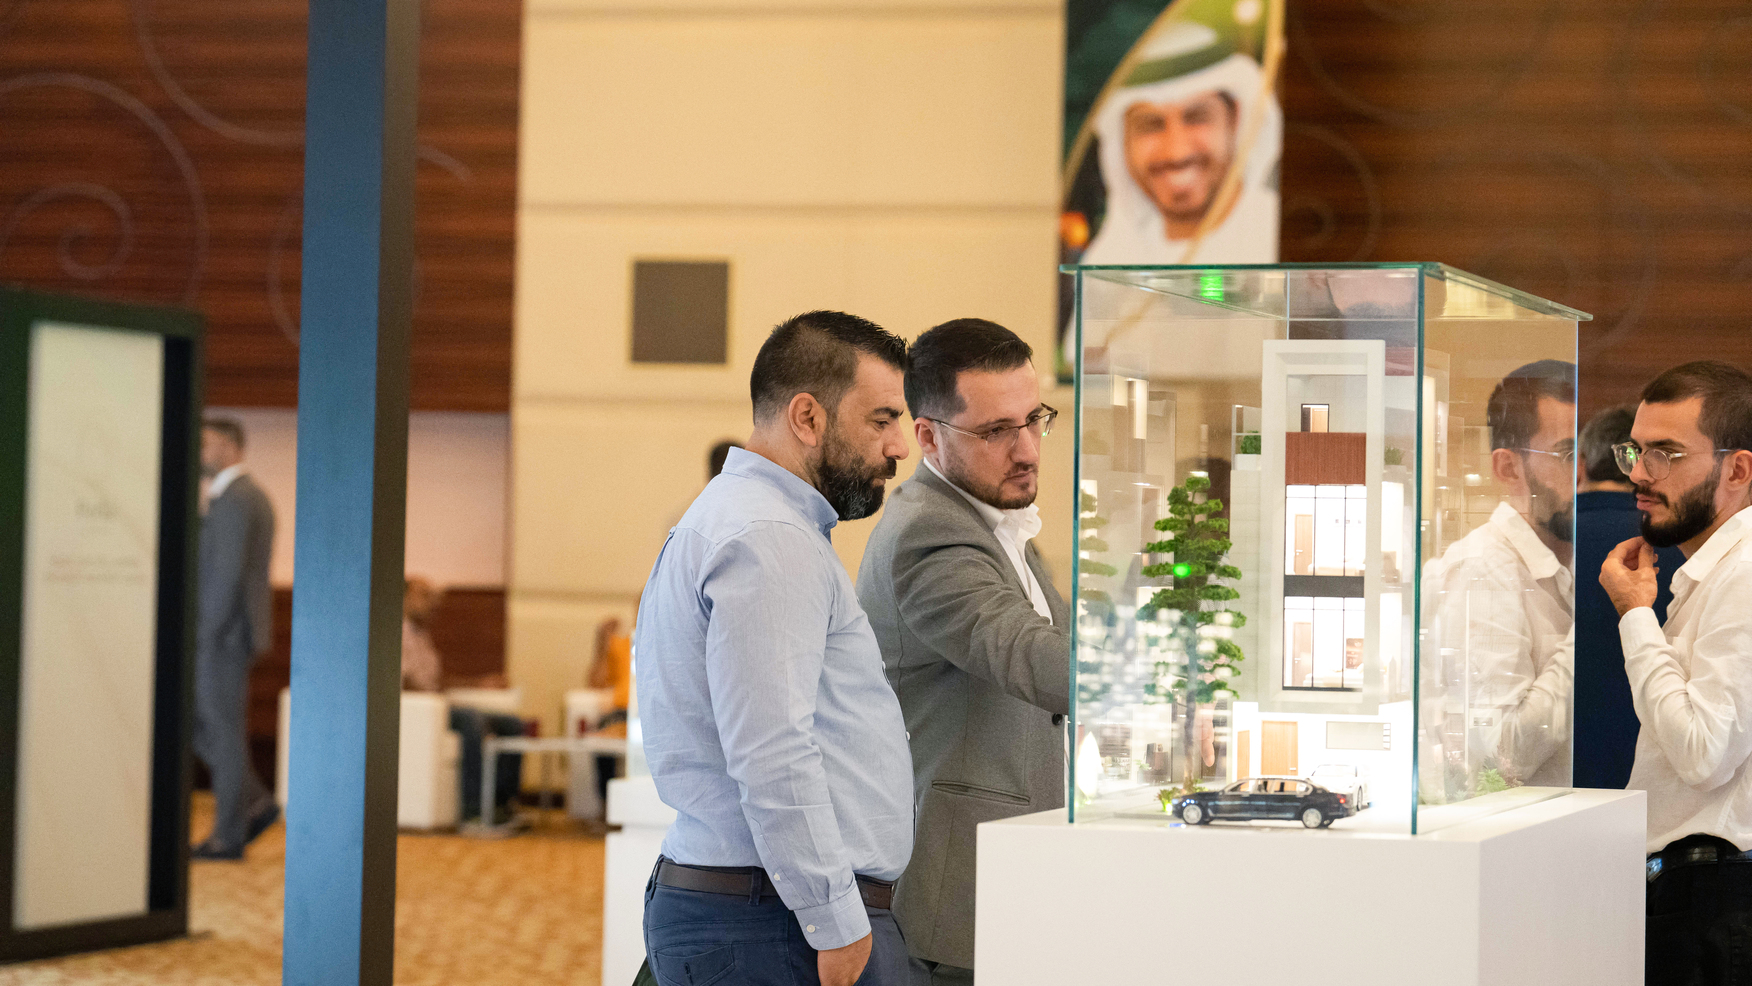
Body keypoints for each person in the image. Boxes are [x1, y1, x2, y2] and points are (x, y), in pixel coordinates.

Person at [635, 311, 915, 986]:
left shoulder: (744, 519)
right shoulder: (768, 537)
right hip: (779, 923)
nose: (900, 446)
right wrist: (835, 921)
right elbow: (772, 750)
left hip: (764, 911)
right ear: (807, 417)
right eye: (881, 420)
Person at [855, 319, 1070, 986]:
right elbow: (1025, 653)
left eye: (1033, 420)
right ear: (928, 436)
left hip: (1014, 871)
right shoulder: (931, 534)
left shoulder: (996, 520)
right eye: (997, 430)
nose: (1027, 449)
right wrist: (1158, 676)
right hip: (957, 896)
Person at [1597, 361, 1752, 986]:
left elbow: (1703, 752)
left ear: (1737, 470)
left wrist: (1636, 615)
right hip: (1700, 897)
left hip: (1714, 903)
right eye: (1635, 450)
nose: (1639, 473)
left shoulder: (1743, 573)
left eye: (1666, 453)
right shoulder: (1716, 573)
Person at [1419, 361, 1577, 801]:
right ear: (1509, 468)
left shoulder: (1578, 563)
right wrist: (1598, 627)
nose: (1586, 475)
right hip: (1515, 836)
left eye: (1596, 455)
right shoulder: (1481, 571)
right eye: (1568, 455)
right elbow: (1496, 760)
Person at [1079, 20, 1280, 267]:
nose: (1176, 152)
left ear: (1234, 119)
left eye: (1197, 118)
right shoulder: (1109, 259)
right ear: (1123, 140)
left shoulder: (1280, 237)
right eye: (1150, 125)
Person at [1573, 406, 1680, 789]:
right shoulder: (1681, 543)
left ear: (1580, 464)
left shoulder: (1550, 538)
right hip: (1660, 771)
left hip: (1557, 774)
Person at [191, 417, 279, 860]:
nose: (199, 452)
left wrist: (204, 637)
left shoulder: (237, 498)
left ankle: (227, 835)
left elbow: (225, 579)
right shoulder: (239, 496)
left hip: (221, 638)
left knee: (222, 732)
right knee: (200, 725)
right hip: (225, 635)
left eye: (204, 443)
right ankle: (255, 802)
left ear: (228, 445)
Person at [401, 577, 525, 824]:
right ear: (403, 598)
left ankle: (501, 804)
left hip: (439, 704)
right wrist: (436, 699)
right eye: (424, 595)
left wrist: (480, 684)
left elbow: (438, 681)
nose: (433, 603)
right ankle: (473, 809)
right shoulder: (396, 633)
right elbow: (403, 681)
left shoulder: (422, 635)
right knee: (471, 720)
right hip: (420, 711)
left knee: (512, 724)